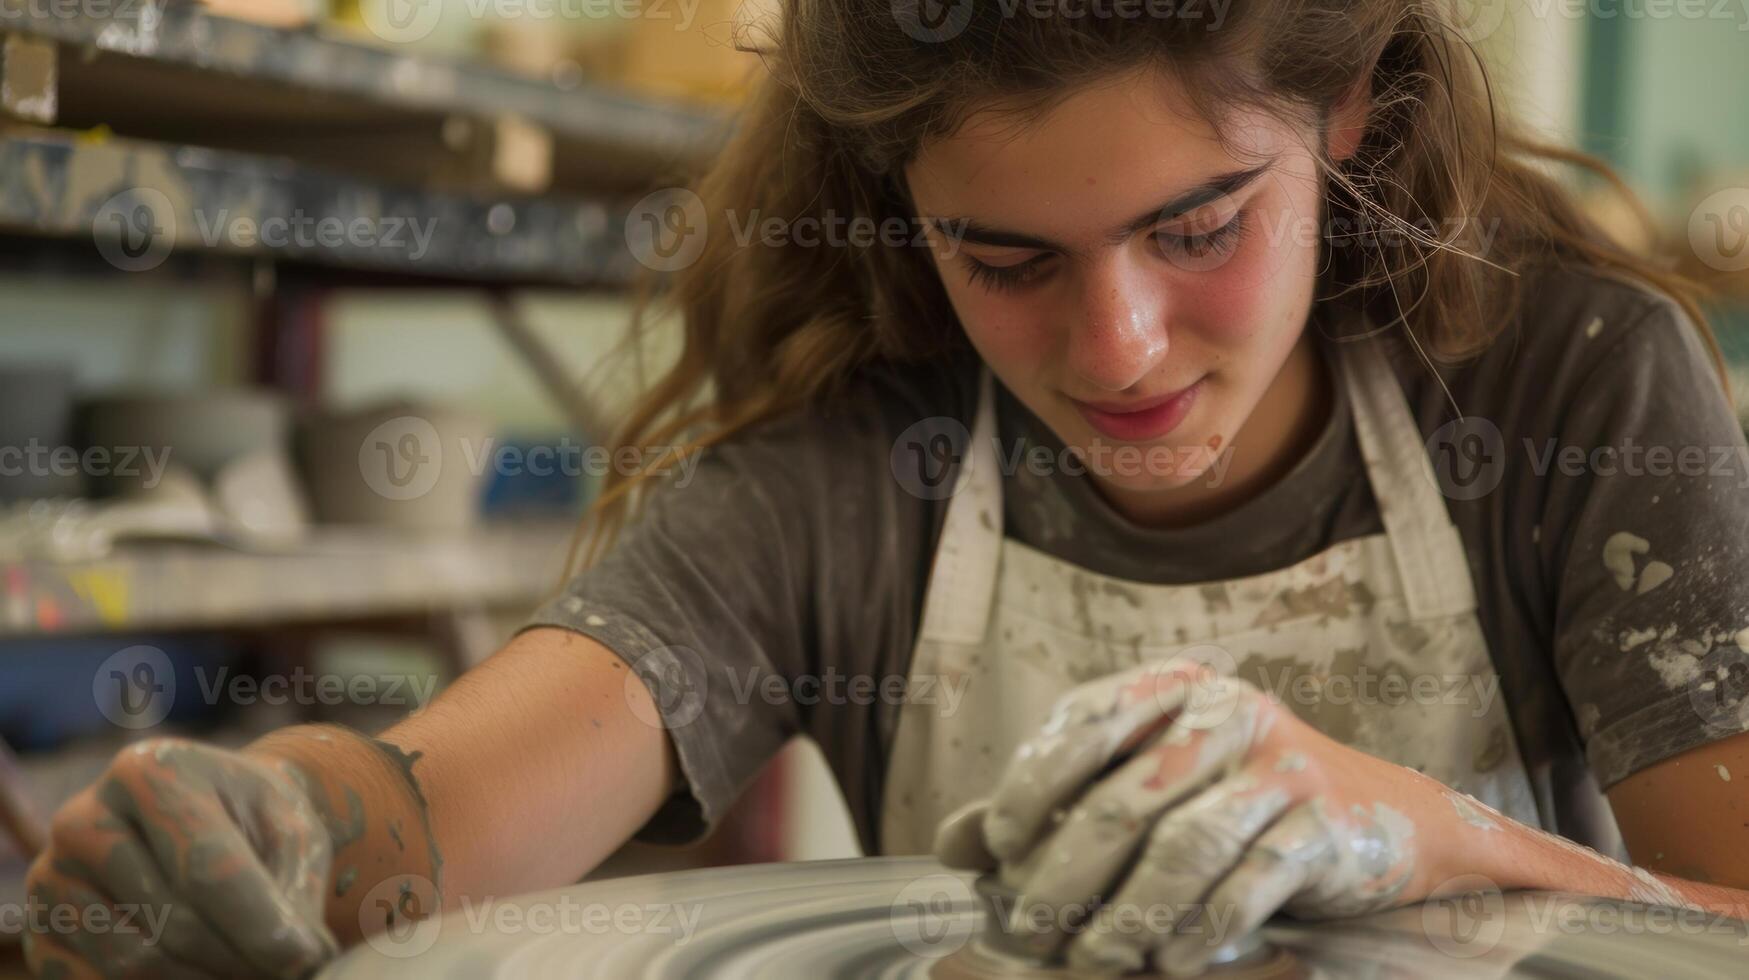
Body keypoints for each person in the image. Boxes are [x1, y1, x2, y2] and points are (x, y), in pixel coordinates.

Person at [25, 0, 1749, 976]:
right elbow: (429, 809)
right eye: (1003, 256)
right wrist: (285, 823)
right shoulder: (863, 463)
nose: (1119, 345)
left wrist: (1421, 832)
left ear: (1352, 111)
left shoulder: (1571, 387)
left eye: (1198, 229)